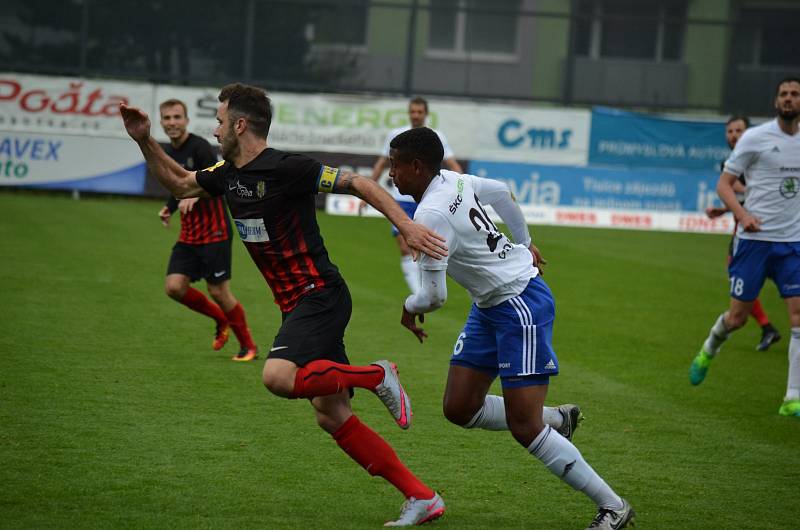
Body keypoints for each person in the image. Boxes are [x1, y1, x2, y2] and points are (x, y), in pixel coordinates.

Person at [120, 83, 449, 526]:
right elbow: (179, 182)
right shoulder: (226, 174)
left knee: (277, 376)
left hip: (320, 295)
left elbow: (358, 182)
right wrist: (143, 138)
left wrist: (406, 226)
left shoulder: (288, 167)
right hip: (295, 305)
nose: (214, 129)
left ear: (240, 125)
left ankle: (377, 374)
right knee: (331, 416)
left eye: (219, 121)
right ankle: (421, 496)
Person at [390, 127, 634, 530]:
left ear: (416, 167)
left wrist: (407, 306)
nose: (391, 175)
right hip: (490, 304)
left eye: (396, 166)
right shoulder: (453, 179)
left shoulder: (430, 214)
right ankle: (556, 420)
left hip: (519, 303)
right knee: (459, 408)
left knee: (525, 426)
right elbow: (502, 191)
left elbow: (433, 298)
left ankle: (612, 506)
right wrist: (526, 242)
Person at [689, 77, 800, 419]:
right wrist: (741, 215)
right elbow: (724, 184)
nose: (789, 99)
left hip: (792, 244)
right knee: (737, 318)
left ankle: (792, 396)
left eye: (795, 94)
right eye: (784, 93)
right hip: (753, 243)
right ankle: (710, 347)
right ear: (775, 100)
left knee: (798, 318)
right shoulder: (756, 138)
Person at [156, 98, 258, 362]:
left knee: (219, 292)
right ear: (161, 123)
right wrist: (170, 207)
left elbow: (217, 179)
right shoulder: (169, 152)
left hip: (215, 232)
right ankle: (221, 319)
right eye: (167, 118)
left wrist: (195, 195)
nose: (172, 123)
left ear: (187, 120)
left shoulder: (199, 147)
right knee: (174, 287)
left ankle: (248, 346)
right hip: (190, 235)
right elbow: (179, 186)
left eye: (177, 117)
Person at [366, 97, 463, 296]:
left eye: (419, 112)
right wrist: (366, 191)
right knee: (404, 246)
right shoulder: (396, 136)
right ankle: (419, 294)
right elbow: (382, 162)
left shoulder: (436, 137)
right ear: (409, 113)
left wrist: (464, 188)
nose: (416, 115)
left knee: (428, 247)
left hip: (428, 200)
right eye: (413, 112)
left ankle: (427, 289)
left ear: (426, 114)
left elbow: (453, 165)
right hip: (400, 201)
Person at [705, 115, 781, 352]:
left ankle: (768, 328)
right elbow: (748, 195)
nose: (734, 135)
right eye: (729, 131)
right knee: (741, 288)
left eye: (739, 130)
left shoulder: (767, 157)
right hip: (748, 233)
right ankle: (768, 328)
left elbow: (754, 193)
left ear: (750, 133)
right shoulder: (730, 165)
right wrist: (726, 209)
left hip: (778, 234)